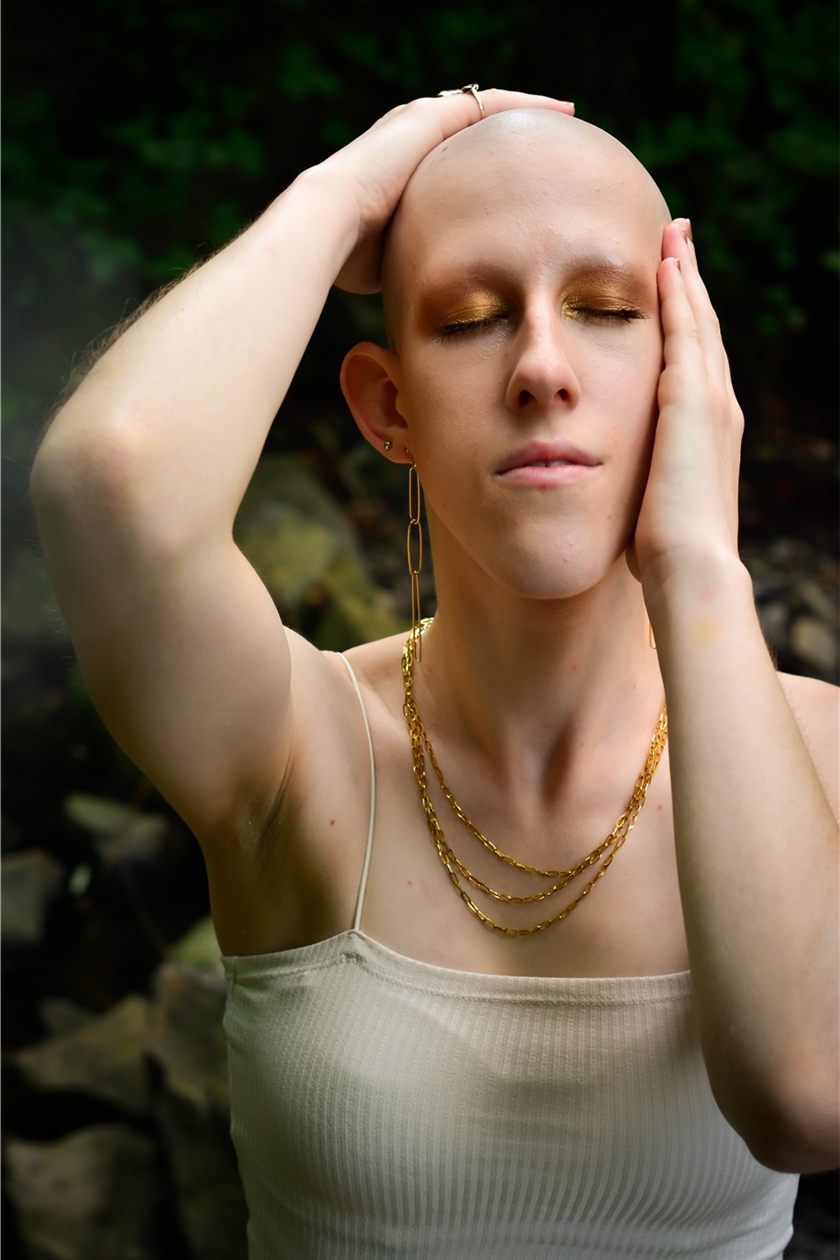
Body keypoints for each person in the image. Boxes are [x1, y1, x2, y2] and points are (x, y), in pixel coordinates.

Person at [31, 88, 838, 1258]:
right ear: (388, 405)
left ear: (688, 375)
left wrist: (701, 564)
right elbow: (112, 485)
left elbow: (807, 1096)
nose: (542, 367)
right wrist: (343, 188)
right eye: (468, 320)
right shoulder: (294, 751)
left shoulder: (820, 754)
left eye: (609, 309)